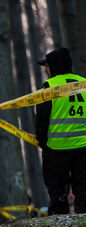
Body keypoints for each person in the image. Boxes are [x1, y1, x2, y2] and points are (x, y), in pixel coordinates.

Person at [36, 47, 85, 215]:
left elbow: (41, 120)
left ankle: (59, 222)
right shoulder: (84, 83)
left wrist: (44, 144)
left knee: (58, 193)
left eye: (47, 66)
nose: (46, 70)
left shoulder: (49, 86)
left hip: (57, 149)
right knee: (83, 188)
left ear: (54, 65)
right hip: (83, 147)